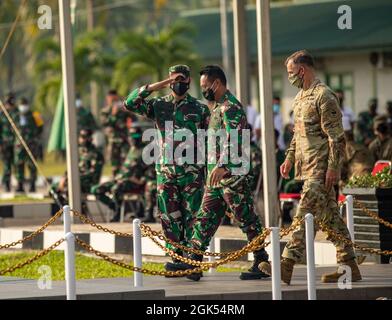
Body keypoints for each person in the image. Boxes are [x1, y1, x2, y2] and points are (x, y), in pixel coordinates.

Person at [259, 50, 361, 284]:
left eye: (291, 72)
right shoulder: (300, 97)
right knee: (330, 218)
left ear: (302, 70)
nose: (289, 77)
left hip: (321, 169)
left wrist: (333, 168)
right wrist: (289, 158)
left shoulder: (324, 96)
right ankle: (349, 265)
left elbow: (337, 137)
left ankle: (285, 265)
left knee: (302, 215)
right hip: (306, 168)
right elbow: (297, 135)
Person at [174, 65, 270, 281]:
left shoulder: (231, 107)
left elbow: (237, 138)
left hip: (232, 177)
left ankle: (261, 260)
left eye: (205, 86)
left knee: (246, 219)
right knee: (204, 220)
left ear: (217, 83)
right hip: (215, 179)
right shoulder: (217, 108)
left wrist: (224, 166)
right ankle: (193, 263)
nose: (203, 90)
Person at [124, 65, 210, 271]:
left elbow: (209, 141)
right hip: (166, 173)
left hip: (192, 174)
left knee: (193, 217)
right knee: (169, 216)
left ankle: (193, 260)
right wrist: (160, 84)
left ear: (189, 81)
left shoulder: (200, 109)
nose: (179, 83)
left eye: (183, 79)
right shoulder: (159, 105)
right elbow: (129, 103)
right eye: (175, 79)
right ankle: (176, 258)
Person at [91, 127, 152, 222]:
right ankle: (115, 206)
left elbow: (150, 169)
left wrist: (141, 180)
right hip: (120, 179)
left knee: (116, 188)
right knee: (96, 189)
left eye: (136, 136)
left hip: (134, 182)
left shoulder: (146, 151)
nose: (133, 138)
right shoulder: (129, 150)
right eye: (131, 136)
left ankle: (117, 213)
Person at [51, 129, 104, 212]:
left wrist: (71, 178)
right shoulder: (79, 152)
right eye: (81, 137)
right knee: (54, 188)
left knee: (69, 186)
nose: (82, 140)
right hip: (75, 180)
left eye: (84, 137)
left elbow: (93, 173)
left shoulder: (96, 154)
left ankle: (79, 212)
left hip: (88, 183)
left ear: (90, 138)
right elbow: (71, 168)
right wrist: (64, 177)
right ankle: (63, 212)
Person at [101, 89, 131, 177]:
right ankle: (115, 178)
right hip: (112, 140)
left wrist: (126, 109)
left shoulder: (122, 110)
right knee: (114, 163)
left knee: (126, 161)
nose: (113, 101)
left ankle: (123, 178)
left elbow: (133, 118)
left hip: (124, 139)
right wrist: (113, 114)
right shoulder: (105, 111)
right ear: (107, 99)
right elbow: (104, 123)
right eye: (111, 99)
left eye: (115, 99)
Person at [15, 97, 42, 193]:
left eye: (24, 105)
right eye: (22, 105)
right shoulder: (16, 116)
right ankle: (20, 185)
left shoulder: (35, 115)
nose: (23, 107)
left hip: (31, 144)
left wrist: (33, 138)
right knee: (19, 164)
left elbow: (40, 128)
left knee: (32, 165)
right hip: (19, 145)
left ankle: (32, 185)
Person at [0, 93, 18, 192]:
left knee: (17, 164)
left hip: (16, 144)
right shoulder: (2, 114)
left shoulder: (16, 113)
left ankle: (19, 184)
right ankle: (6, 184)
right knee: (7, 165)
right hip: (5, 144)